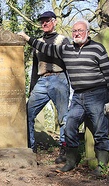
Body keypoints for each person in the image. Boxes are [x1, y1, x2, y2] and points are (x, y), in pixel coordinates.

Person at [18, 18, 109, 175]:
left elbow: (108, 73)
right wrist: (27, 38)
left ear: (88, 32)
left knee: (100, 129)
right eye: (74, 31)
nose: (77, 33)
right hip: (78, 96)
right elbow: (46, 48)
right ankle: (71, 161)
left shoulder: (97, 49)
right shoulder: (66, 49)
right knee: (70, 125)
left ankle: (102, 164)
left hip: (97, 94)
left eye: (80, 30)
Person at [27, 11, 70, 164]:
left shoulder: (63, 40)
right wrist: (32, 87)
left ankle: (64, 150)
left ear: (55, 22)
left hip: (59, 78)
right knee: (27, 113)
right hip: (41, 80)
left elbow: (66, 61)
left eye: (47, 21)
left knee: (64, 117)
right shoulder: (37, 42)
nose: (44, 24)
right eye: (42, 22)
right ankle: (30, 149)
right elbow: (34, 67)